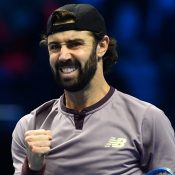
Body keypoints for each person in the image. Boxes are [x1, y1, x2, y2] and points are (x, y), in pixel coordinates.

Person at [11, 3, 175, 175]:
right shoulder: (29, 126)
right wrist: (32, 168)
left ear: (102, 46)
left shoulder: (147, 120)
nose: (64, 55)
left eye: (75, 44)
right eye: (54, 47)